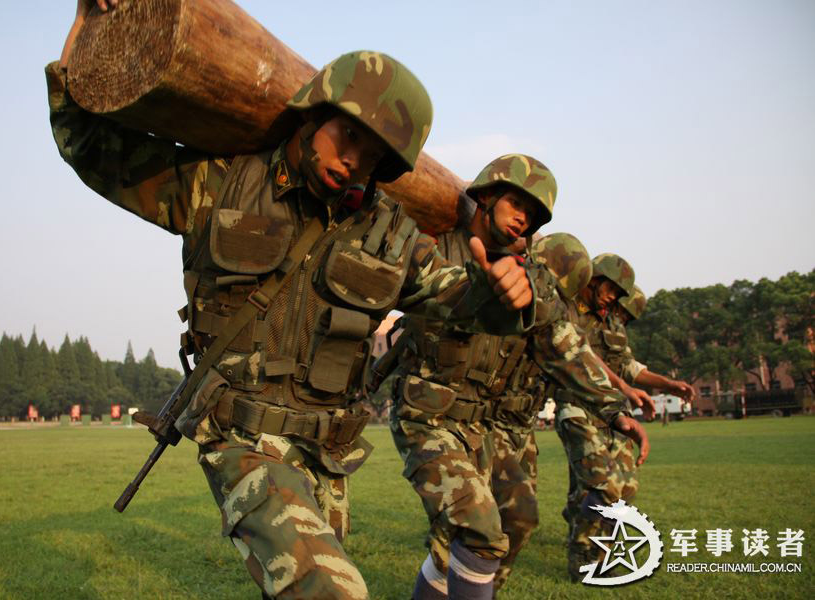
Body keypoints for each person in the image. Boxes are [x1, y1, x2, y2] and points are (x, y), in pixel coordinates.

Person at [51, 3, 541, 597]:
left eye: (375, 155)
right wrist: (86, 26)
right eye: (348, 135)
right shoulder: (223, 184)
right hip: (242, 439)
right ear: (314, 114)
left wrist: (501, 297)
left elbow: (455, 298)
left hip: (329, 454)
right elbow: (92, 147)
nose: (353, 161)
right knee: (333, 591)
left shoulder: (391, 233)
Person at [373, 154, 649, 598]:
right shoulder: (435, 246)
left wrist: (614, 409)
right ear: (484, 196)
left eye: (534, 213)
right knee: (478, 527)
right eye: (517, 202)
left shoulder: (532, 279)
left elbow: (565, 345)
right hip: (431, 416)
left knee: (518, 520)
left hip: (487, 426)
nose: (524, 217)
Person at [553, 253, 653, 580]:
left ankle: (599, 552)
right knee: (603, 485)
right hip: (576, 408)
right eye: (611, 290)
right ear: (594, 279)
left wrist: (664, 385)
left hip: (608, 411)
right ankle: (582, 553)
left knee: (626, 488)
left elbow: (626, 364)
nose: (613, 300)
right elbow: (582, 356)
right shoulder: (563, 307)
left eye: (619, 297)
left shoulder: (605, 320)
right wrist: (623, 385)